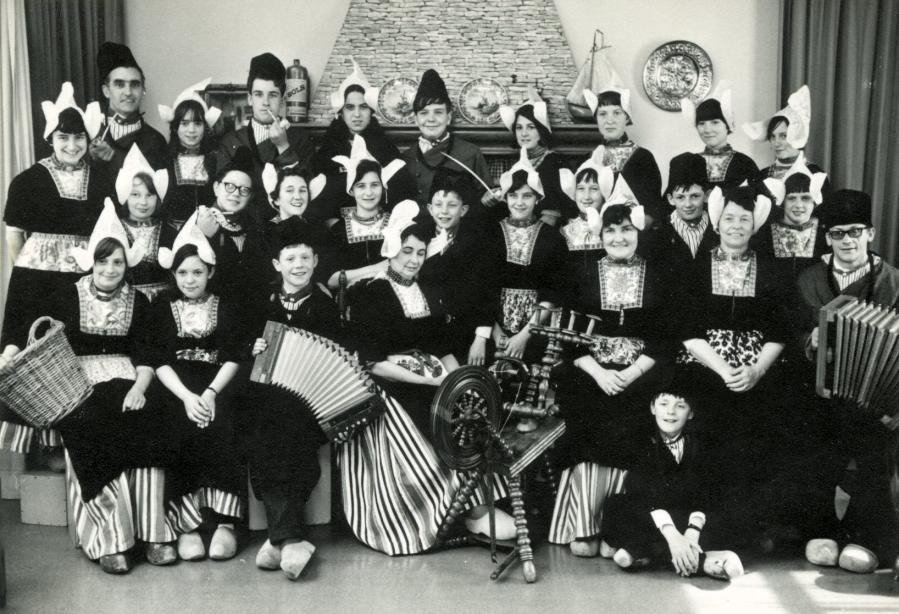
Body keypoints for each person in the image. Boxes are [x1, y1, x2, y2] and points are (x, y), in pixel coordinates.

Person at [0, 200, 181, 574]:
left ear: (126, 265)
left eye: (117, 262)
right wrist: (11, 352)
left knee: (150, 422)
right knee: (88, 428)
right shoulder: (67, 294)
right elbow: (34, 332)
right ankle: (113, 537)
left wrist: (140, 388)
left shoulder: (140, 301)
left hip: (127, 376)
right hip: (78, 383)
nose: (110, 269)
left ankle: (153, 532)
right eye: (103, 262)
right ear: (92, 263)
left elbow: (148, 352)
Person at [342, 210, 514, 555]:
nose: (413, 260)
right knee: (432, 417)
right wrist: (431, 383)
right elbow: (373, 362)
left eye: (420, 253)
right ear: (391, 249)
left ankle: (476, 504)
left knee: (468, 410)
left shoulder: (428, 290)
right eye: (407, 251)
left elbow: (442, 346)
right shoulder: (369, 292)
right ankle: (446, 511)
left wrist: (457, 382)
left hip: (430, 377)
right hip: (389, 385)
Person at [548, 188, 674, 557]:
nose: (618, 239)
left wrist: (632, 372)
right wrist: (599, 373)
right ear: (600, 236)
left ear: (637, 233)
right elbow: (568, 336)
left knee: (635, 418)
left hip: (642, 371)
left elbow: (665, 336)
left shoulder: (658, 273)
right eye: (610, 232)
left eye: (625, 231)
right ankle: (584, 526)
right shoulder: (582, 272)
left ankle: (617, 529)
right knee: (586, 410)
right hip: (591, 370)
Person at [796, 190, 899, 574]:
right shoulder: (809, 280)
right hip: (820, 393)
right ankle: (821, 532)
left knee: (875, 457)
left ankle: (866, 540)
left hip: (876, 399)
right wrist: (810, 339)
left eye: (855, 231)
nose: (847, 240)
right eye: (838, 233)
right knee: (813, 452)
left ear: (870, 233)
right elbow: (792, 331)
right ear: (827, 238)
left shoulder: (893, 282)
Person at [1, 83, 104, 457]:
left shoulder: (102, 178)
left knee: (75, 352)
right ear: (51, 138)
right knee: (34, 352)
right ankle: (42, 445)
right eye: (64, 137)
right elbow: (14, 234)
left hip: (81, 279)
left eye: (78, 137)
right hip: (36, 279)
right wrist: (27, 272)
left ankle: (74, 443)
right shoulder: (28, 180)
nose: (72, 145)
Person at [675, 185, 793, 510]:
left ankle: (751, 521)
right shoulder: (696, 268)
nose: (737, 226)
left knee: (761, 429)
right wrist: (725, 370)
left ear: (755, 226)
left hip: (757, 367)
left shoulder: (772, 269)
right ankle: (705, 517)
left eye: (745, 219)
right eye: (729, 218)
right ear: (716, 223)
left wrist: (755, 370)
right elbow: (688, 331)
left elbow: (779, 330)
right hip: (705, 364)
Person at [247, 217, 338, 579]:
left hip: (309, 405)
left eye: (304, 258)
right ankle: (289, 539)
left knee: (289, 434)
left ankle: (281, 538)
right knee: (263, 432)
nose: (298, 265)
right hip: (265, 400)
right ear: (277, 265)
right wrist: (251, 347)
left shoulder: (326, 307)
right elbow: (245, 356)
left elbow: (334, 362)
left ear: (315, 261)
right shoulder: (261, 304)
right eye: (290, 259)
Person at [153, 220, 245, 562]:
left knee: (224, 426)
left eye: (197, 272)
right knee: (177, 428)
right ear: (173, 275)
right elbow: (158, 360)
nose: (190, 280)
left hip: (217, 385)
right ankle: (187, 526)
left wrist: (209, 394)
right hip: (177, 388)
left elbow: (234, 355)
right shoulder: (162, 306)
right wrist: (188, 397)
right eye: (182, 273)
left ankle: (225, 522)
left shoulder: (226, 305)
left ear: (209, 272)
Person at [601, 391, 745, 581]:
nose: (671, 412)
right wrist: (672, 536)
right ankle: (704, 560)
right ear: (653, 408)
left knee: (731, 510)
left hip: (690, 515)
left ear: (691, 413)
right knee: (617, 505)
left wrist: (692, 533)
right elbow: (643, 492)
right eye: (664, 404)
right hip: (656, 517)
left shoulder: (700, 443)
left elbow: (705, 493)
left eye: (680, 406)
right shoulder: (639, 441)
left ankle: (647, 553)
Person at [309, 59, 415, 225]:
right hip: (337, 225)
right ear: (341, 112)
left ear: (371, 111)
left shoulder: (386, 148)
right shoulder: (327, 151)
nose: (357, 114)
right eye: (350, 107)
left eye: (363, 107)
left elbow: (400, 191)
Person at [487, 150, 568, 366]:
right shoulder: (490, 234)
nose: (519, 202)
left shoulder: (552, 238)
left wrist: (524, 336)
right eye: (513, 196)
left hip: (536, 330)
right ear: (505, 198)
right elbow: (482, 288)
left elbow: (554, 290)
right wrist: (497, 335)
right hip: (494, 330)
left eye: (527, 195)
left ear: (538, 198)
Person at [217, 53, 314, 221]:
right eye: (259, 94)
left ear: (283, 100)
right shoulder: (231, 141)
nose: (266, 102)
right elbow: (224, 197)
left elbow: (308, 190)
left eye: (273, 95)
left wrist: (284, 147)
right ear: (249, 98)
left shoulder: (300, 139)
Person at [418, 168, 498, 365]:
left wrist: (480, 338)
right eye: (438, 205)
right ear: (429, 208)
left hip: (467, 332)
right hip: (428, 329)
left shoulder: (476, 241)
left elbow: (486, 292)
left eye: (452, 205)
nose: (444, 212)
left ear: (464, 210)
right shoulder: (418, 236)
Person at [195, 147, 271, 337]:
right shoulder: (198, 221)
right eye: (229, 186)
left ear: (251, 196)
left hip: (250, 318)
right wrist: (203, 236)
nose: (236, 193)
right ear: (216, 187)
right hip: (211, 318)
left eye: (244, 190)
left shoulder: (254, 228)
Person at [400, 69, 492, 219]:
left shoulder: (470, 153)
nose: (431, 119)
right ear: (416, 119)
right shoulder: (405, 158)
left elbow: (485, 202)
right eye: (424, 113)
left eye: (438, 112)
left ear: (448, 117)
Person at [325, 135, 407, 294]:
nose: (368, 192)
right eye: (361, 186)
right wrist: (379, 268)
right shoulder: (338, 229)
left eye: (375, 185)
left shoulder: (398, 224)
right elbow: (332, 280)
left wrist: (352, 275)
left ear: (383, 188)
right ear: (352, 190)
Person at [581, 83, 663, 223]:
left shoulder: (643, 157)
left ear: (627, 117)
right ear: (596, 119)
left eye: (617, 112)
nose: (610, 120)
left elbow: (653, 208)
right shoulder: (589, 158)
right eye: (603, 114)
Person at [89, 42, 167, 182]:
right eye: (119, 84)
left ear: (143, 90)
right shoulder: (90, 135)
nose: (128, 92)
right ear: (106, 91)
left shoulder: (156, 141)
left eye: (135, 84)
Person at [642, 153, 718, 286]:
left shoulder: (719, 231)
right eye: (680, 197)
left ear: (707, 195)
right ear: (670, 199)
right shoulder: (657, 234)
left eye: (694, 196)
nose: (688, 204)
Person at [497, 94, 572, 224]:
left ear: (541, 130)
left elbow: (552, 215)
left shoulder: (554, 163)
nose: (524, 133)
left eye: (531, 127)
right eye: (519, 128)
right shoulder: (517, 163)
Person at [158, 78, 221, 231]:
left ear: (205, 127)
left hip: (208, 232)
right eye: (184, 123)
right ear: (175, 128)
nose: (191, 130)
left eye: (197, 123)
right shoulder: (164, 160)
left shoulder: (215, 159)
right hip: (173, 234)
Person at [115, 143, 176, 301]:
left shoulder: (169, 231)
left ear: (158, 198)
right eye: (135, 195)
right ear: (125, 197)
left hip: (163, 304)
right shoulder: (115, 230)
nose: (143, 202)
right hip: (127, 304)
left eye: (150, 195)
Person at [743, 85, 830, 189]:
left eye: (783, 136)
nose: (776, 142)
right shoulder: (762, 176)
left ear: (797, 134)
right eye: (772, 136)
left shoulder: (815, 174)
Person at [752, 167, 829, 284]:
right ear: (783, 201)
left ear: (815, 201)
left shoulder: (825, 234)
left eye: (806, 198)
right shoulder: (765, 234)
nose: (799, 205)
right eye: (792, 198)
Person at [678, 83, 759, 191]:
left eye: (715, 122)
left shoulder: (744, 163)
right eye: (701, 123)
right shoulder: (689, 163)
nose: (707, 129)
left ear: (728, 125)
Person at [557, 153, 614, 286]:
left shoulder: (614, 228)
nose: (586, 196)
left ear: (604, 192)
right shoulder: (565, 230)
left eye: (594, 189)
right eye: (581, 188)